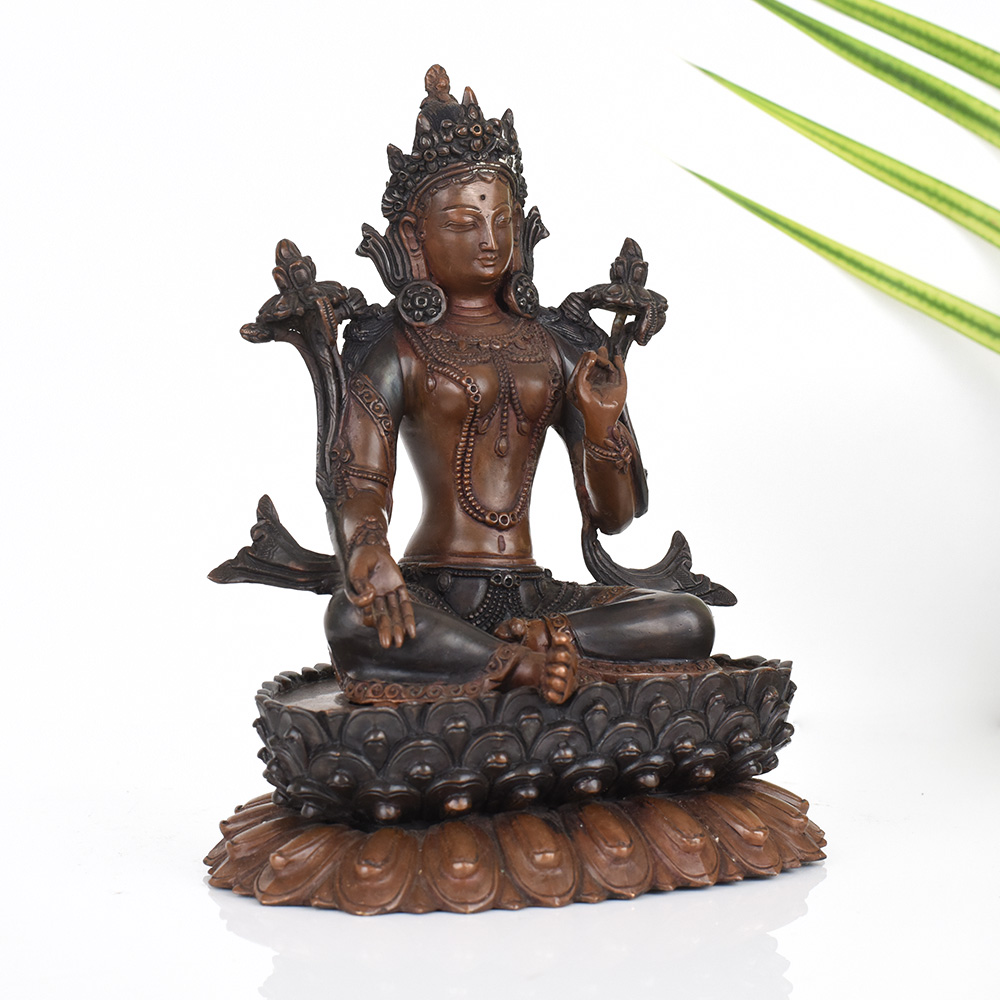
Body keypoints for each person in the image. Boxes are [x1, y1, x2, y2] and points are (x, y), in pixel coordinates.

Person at [294, 66, 716, 706]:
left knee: (685, 619)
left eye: (501, 221)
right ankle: (514, 664)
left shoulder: (555, 345)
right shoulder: (396, 346)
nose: (490, 241)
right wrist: (367, 550)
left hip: (536, 598)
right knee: (352, 618)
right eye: (465, 223)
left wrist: (602, 426)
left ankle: (538, 644)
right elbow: (360, 481)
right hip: (433, 592)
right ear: (414, 237)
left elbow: (615, 516)